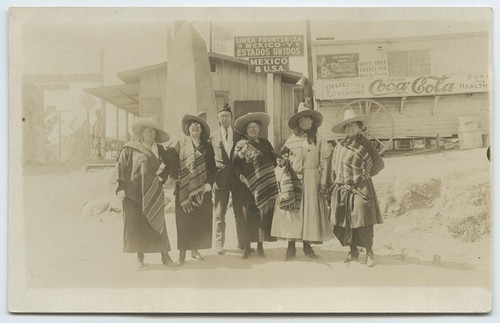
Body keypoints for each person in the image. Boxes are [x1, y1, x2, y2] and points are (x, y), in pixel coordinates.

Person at [271, 103, 333, 261]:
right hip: (294, 179)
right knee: (293, 212)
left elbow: (325, 163)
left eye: (307, 119)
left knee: (309, 212)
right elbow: (281, 156)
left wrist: (324, 183)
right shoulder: (292, 139)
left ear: (312, 121)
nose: (304, 123)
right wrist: (282, 161)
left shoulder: (318, 139)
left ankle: (307, 246)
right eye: (301, 120)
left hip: (312, 179)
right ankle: (290, 247)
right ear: (298, 123)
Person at [114, 117, 175, 270]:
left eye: (153, 132)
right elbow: (120, 167)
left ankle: (165, 256)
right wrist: (120, 187)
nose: (151, 134)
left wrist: (163, 177)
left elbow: (171, 164)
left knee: (158, 221)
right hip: (133, 193)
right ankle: (140, 257)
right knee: (137, 225)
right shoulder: (130, 148)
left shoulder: (160, 150)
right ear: (141, 133)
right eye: (148, 131)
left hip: (153, 192)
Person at [329, 109, 385, 267]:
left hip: (361, 187)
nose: (350, 128)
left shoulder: (366, 144)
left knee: (363, 220)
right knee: (345, 219)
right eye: (347, 126)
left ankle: (369, 253)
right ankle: (352, 251)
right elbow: (334, 166)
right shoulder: (341, 145)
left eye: (353, 125)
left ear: (359, 127)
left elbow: (379, 164)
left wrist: (363, 175)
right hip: (343, 187)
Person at [163, 112, 216, 266]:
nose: (195, 127)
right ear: (188, 128)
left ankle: (195, 249)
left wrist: (209, 184)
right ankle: (182, 254)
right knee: (184, 221)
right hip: (184, 190)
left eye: (198, 126)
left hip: (202, 190)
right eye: (193, 125)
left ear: (202, 130)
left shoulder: (207, 146)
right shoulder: (180, 144)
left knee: (199, 221)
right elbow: (168, 159)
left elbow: (213, 168)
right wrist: (174, 175)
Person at [233, 112, 279, 259]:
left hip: (263, 186)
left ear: (259, 129)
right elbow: (234, 162)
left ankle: (260, 246)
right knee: (248, 216)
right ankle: (247, 247)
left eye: (255, 127)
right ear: (246, 130)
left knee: (262, 216)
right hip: (247, 186)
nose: (253, 129)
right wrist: (241, 154)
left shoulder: (265, 143)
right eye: (250, 127)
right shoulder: (240, 144)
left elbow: (274, 160)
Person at [210, 103, 246, 255]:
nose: (224, 118)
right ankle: (219, 244)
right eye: (221, 116)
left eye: (227, 115)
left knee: (239, 211)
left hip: (237, 179)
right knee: (219, 213)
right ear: (218, 118)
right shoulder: (212, 137)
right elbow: (209, 159)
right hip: (220, 179)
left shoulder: (239, 135)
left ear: (231, 118)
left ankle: (242, 242)